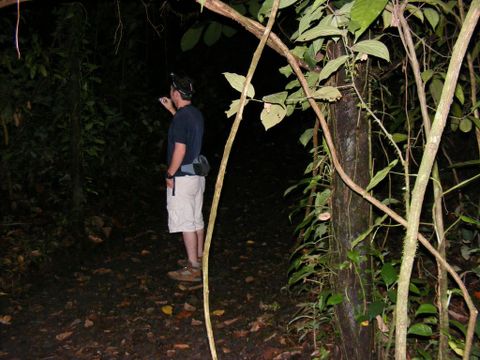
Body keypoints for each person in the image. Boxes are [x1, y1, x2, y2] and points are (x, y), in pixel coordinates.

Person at [159, 72, 205, 282]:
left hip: (182, 178)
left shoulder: (181, 118)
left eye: (172, 91)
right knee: (196, 219)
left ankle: (193, 267)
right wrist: (171, 109)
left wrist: (170, 173)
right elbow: (185, 128)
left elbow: (179, 148)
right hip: (196, 175)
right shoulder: (194, 114)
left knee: (186, 222)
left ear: (176, 93)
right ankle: (199, 257)